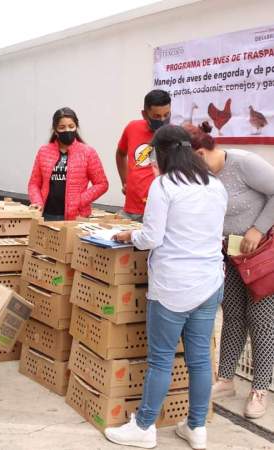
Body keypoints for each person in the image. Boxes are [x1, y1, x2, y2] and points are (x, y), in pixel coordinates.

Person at [105, 125, 227, 449]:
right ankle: (196, 427)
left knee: (160, 360)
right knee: (199, 359)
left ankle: (144, 426)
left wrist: (129, 235)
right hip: (209, 282)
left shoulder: (164, 185)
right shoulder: (215, 185)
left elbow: (151, 237)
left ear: (162, 153)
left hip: (173, 286)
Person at [185, 121, 274, 419]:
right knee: (233, 314)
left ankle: (259, 388)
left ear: (200, 153)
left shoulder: (244, 163)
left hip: (261, 255)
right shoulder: (203, 177)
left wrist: (257, 229)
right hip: (230, 255)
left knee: (261, 320)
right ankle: (225, 379)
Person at [28, 107, 108, 221]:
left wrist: (80, 201)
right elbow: (34, 183)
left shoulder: (88, 152)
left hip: (76, 217)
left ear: (76, 127)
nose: (67, 130)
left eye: (71, 126)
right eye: (62, 127)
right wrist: (37, 202)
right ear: (55, 130)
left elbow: (102, 184)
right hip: (46, 215)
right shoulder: (44, 152)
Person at [116, 89, 171, 222]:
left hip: (160, 211)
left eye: (166, 115)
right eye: (157, 116)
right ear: (145, 114)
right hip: (132, 209)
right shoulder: (132, 128)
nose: (163, 120)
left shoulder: (175, 135)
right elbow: (120, 153)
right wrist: (125, 181)